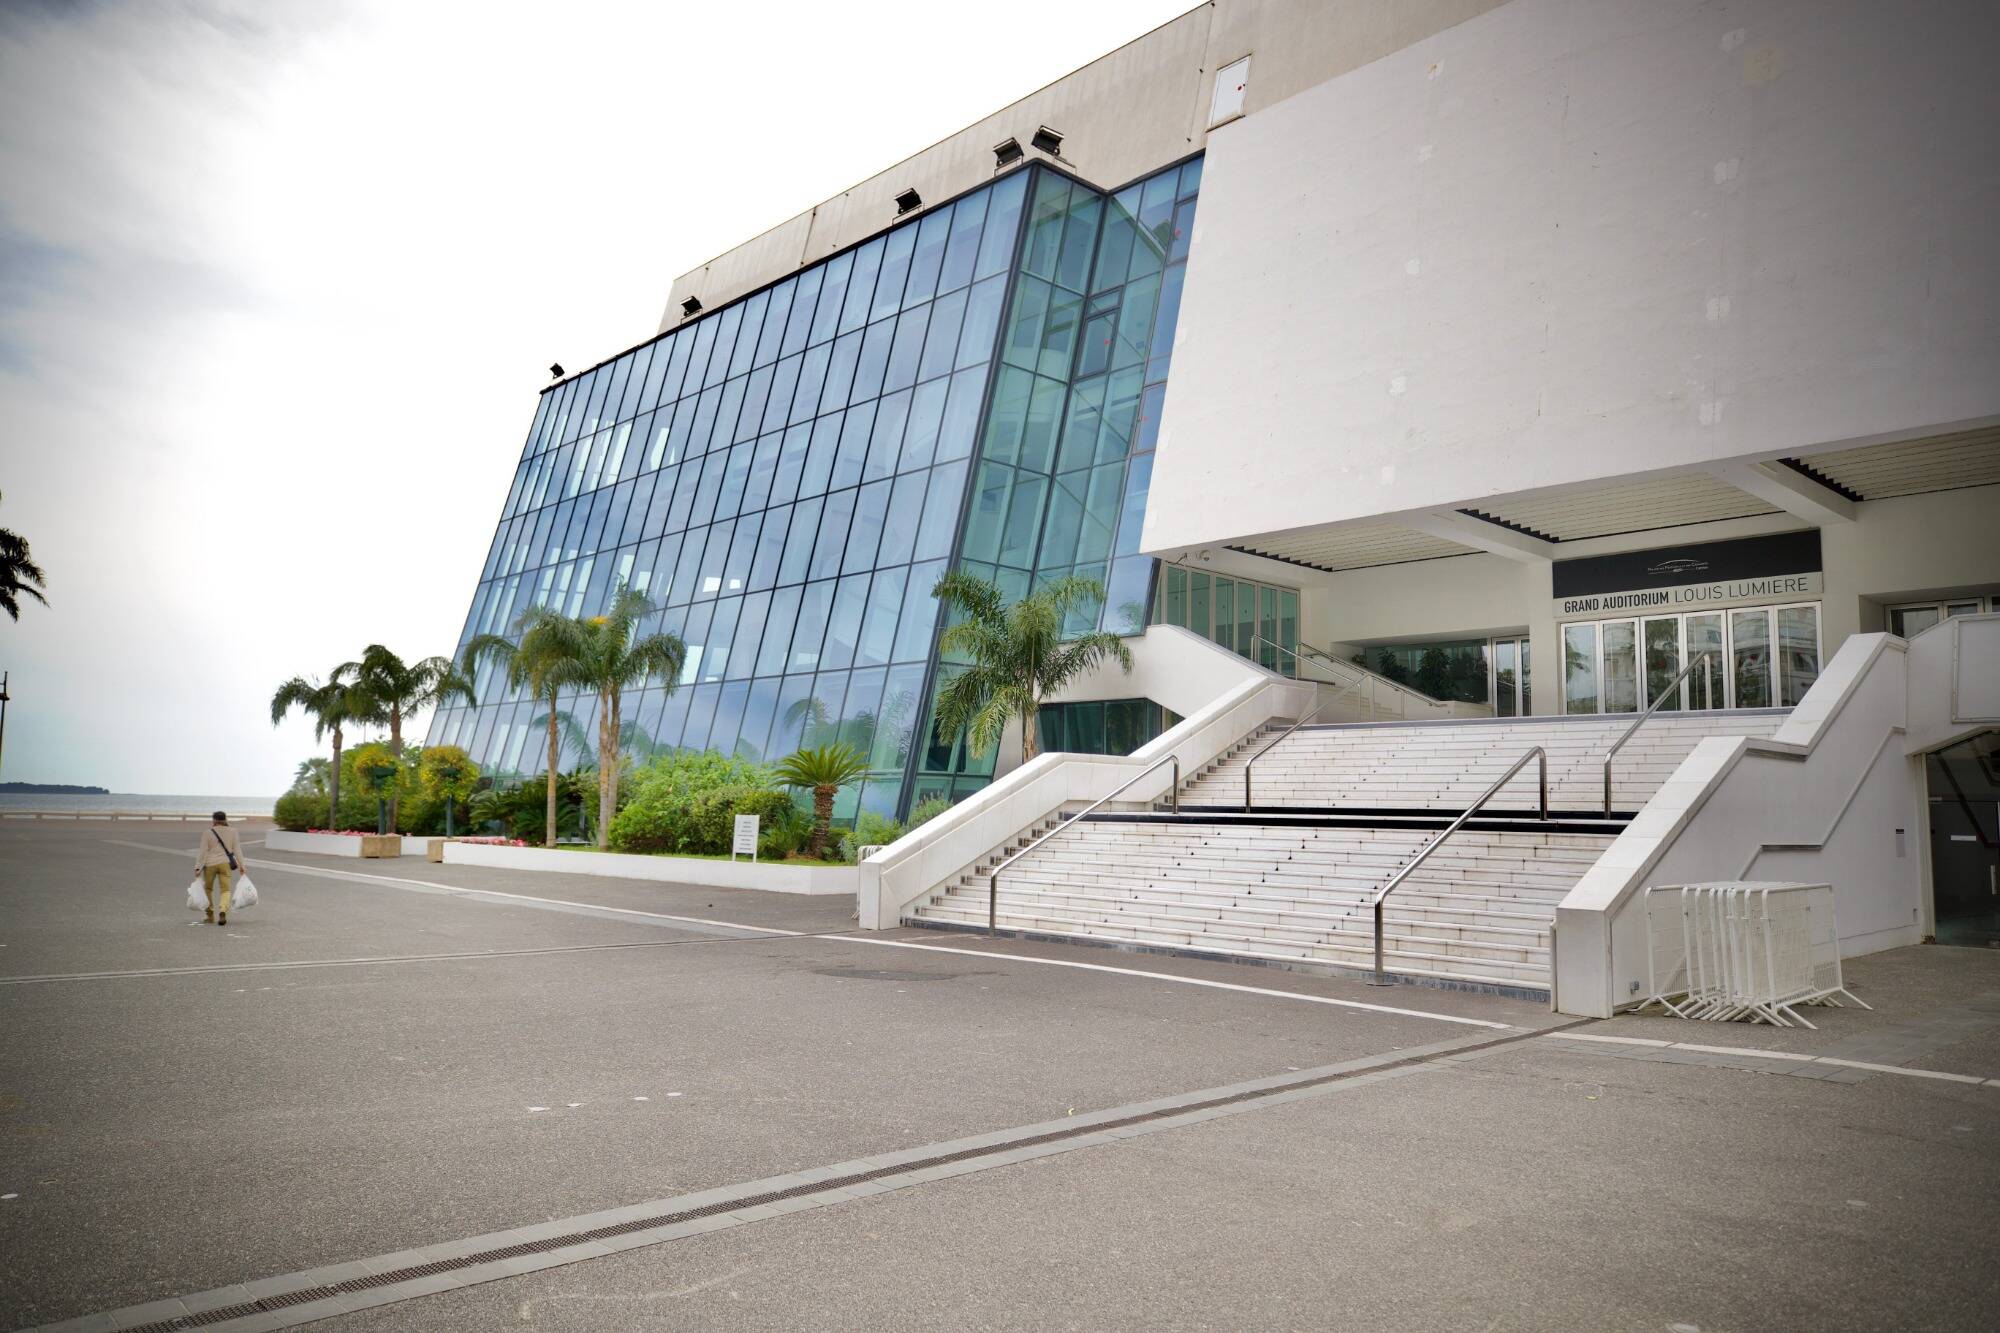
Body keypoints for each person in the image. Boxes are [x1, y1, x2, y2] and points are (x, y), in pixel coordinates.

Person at [195, 810, 245, 927]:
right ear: (225, 819)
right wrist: (242, 865)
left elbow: (203, 851)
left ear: (214, 820)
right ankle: (223, 909)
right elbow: (237, 849)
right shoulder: (233, 831)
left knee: (208, 889)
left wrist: (197, 867)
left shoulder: (207, 833)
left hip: (210, 864)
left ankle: (210, 914)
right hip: (225, 864)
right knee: (225, 890)